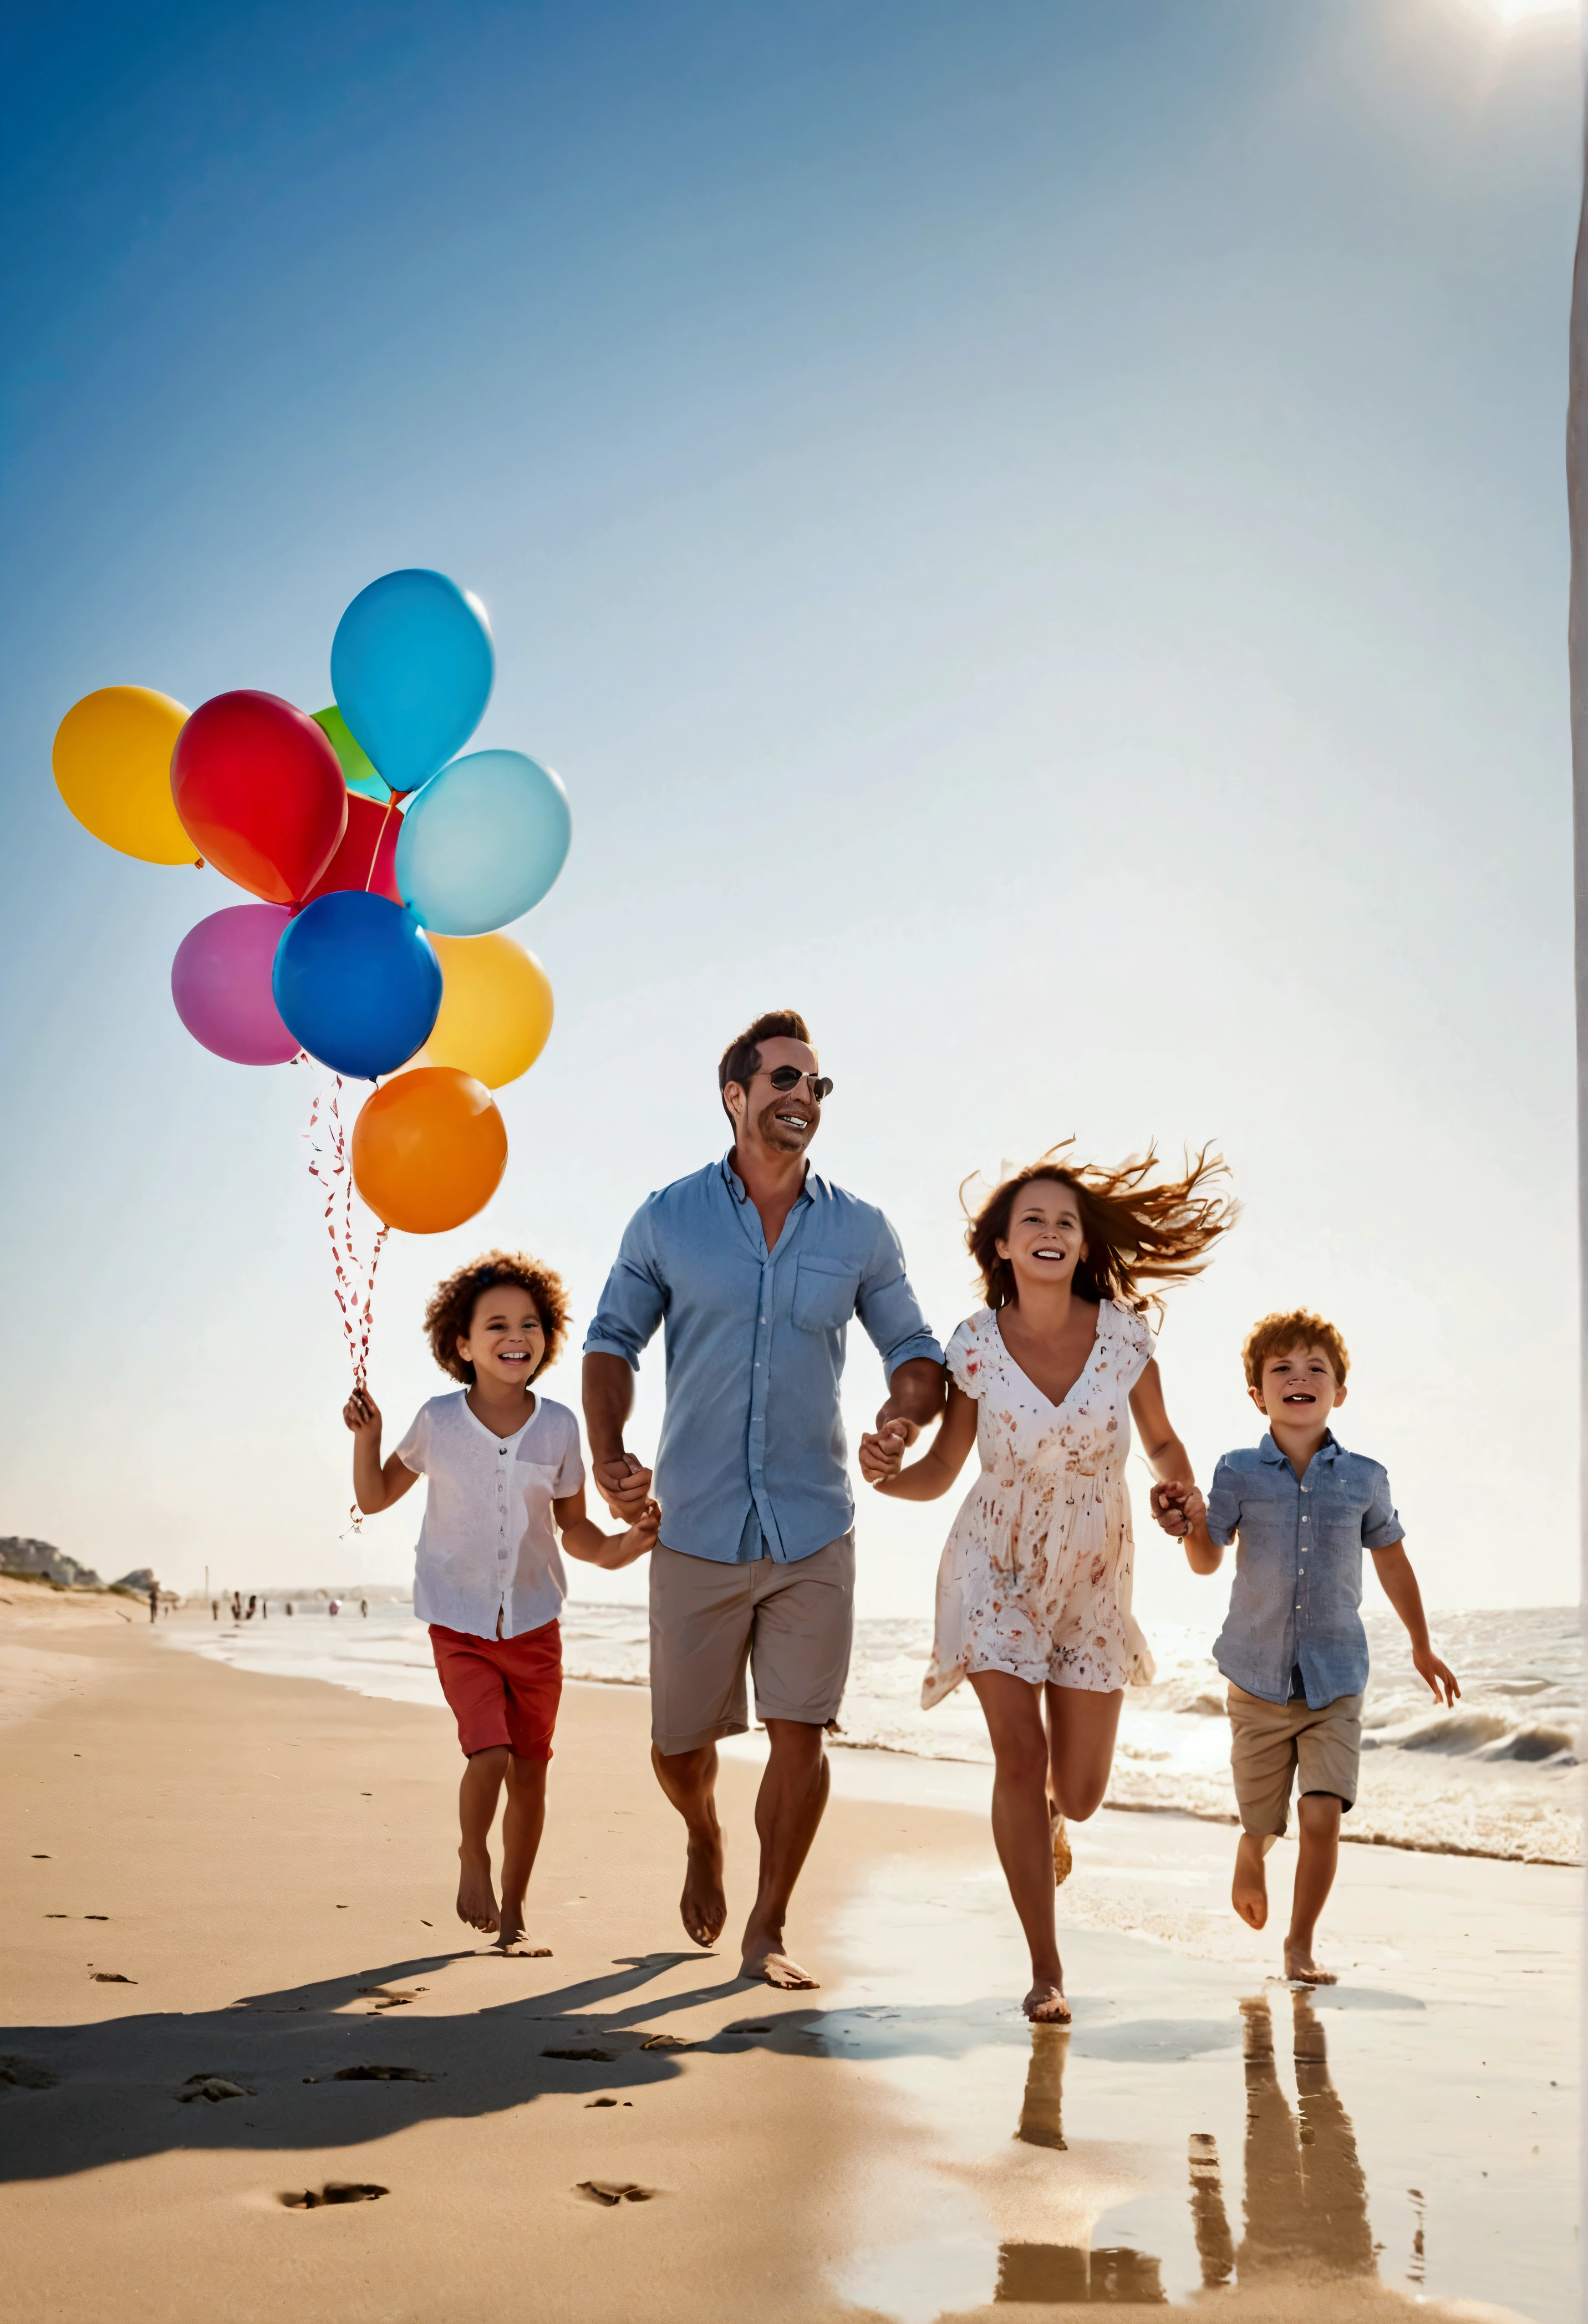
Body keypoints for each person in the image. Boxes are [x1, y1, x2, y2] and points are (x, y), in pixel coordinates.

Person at [583, 1008, 944, 1988]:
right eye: (783, 1078)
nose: (801, 1097)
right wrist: (608, 1450)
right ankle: (702, 1830)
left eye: (815, 1085)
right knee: (677, 1745)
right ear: (734, 1094)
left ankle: (768, 1926)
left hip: (812, 1522)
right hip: (694, 1522)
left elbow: (915, 1353)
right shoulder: (666, 1217)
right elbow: (611, 1340)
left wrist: (902, 1421)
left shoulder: (860, 1230)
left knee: (800, 1728)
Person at [872, 1144, 1234, 2023]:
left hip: (1095, 1571)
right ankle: (1046, 1970)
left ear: (1080, 1247)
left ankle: (1053, 1819)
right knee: (1018, 1752)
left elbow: (1163, 1443)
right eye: (1030, 1218)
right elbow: (947, 1467)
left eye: (1065, 1222)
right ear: (1000, 1246)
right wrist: (890, 1470)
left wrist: (1181, 1493)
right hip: (991, 1559)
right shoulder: (975, 1348)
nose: (1049, 1231)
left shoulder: (1122, 1339)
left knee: (1077, 1791)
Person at [346, 1250, 658, 1950]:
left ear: (546, 1338)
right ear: (461, 1344)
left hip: (534, 1625)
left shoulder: (558, 1428)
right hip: (457, 1622)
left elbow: (573, 1527)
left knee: (531, 1774)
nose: (514, 1334)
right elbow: (374, 1498)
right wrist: (367, 1440)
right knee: (486, 1751)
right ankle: (472, 1855)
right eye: (495, 1324)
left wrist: (618, 1546)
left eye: (529, 1322)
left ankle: (513, 1916)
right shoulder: (437, 1421)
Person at [1153, 1309, 1459, 1983]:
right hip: (1254, 1680)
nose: (1299, 1377)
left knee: (1321, 1815)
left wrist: (1420, 1645)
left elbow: (1392, 1562)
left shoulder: (1365, 1478)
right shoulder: (1235, 1472)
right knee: (1262, 1818)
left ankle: (1298, 1944)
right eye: (1281, 1369)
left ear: (1339, 1392)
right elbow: (1206, 1561)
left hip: (1335, 1680)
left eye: (1315, 1368)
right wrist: (1188, 1526)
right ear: (1257, 1395)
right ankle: (1250, 1848)